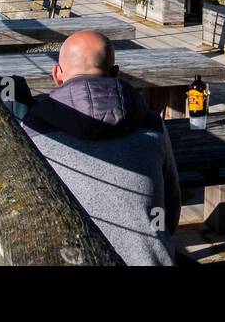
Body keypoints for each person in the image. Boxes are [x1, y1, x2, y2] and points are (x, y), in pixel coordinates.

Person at [22, 31, 181, 266]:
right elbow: (171, 208)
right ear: (115, 72)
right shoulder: (152, 125)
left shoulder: (33, 131)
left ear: (57, 74)